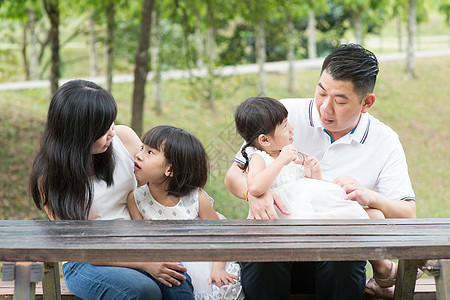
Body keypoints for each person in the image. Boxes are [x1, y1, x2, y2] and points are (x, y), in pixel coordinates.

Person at [224, 44, 417, 300]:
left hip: (335, 259)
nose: (325, 107)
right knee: (265, 258)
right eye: (321, 92)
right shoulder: (283, 115)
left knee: (343, 256)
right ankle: (383, 270)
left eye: (339, 100)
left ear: (366, 102)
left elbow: (407, 213)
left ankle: (379, 270)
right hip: (277, 247)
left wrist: (369, 197)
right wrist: (254, 192)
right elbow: (233, 176)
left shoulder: (384, 140)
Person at [30, 80, 192, 300]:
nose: (112, 133)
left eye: (112, 122)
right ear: (79, 133)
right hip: (87, 261)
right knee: (142, 290)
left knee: (177, 279)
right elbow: (79, 247)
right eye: (103, 129)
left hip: (137, 243)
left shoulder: (124, 139)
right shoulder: (50, 178)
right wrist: (145, 263)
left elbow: (156, 190)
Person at [127, 125, 243, 300]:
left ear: (170, 170)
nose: (139, 155)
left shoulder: (196, 198)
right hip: (167, 267)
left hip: (202, 262)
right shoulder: (136, 198)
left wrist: (218, 268)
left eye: (150, 152)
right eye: (142, 147)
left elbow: (219, 235)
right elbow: (141, 242)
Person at [234, 96, 370, 220]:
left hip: (307, 210)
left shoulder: (290, 156)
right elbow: (255, 188)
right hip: (287, 217)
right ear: (264, 140)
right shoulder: (260, 158)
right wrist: (281, 161)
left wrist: (314, 171)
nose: (291, 129)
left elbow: (313, 189)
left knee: (353, 213)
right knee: (352, 217)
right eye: (285, 126)